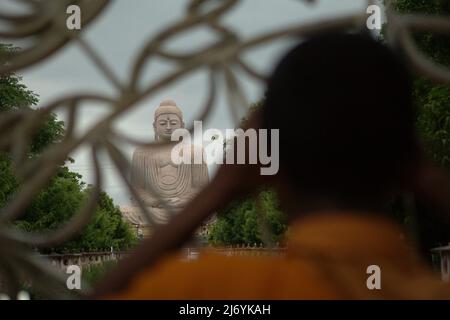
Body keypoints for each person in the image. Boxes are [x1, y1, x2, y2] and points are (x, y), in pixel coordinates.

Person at [94, 33, 450, 299]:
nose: (169, 127)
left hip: (186, 218)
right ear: (409, 159)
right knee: (131, 210)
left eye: (174, 120)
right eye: (164, 121)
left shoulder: (212, 288)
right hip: (159, 210)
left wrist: (217, 191)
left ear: (269, 166)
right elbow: (141, 195)